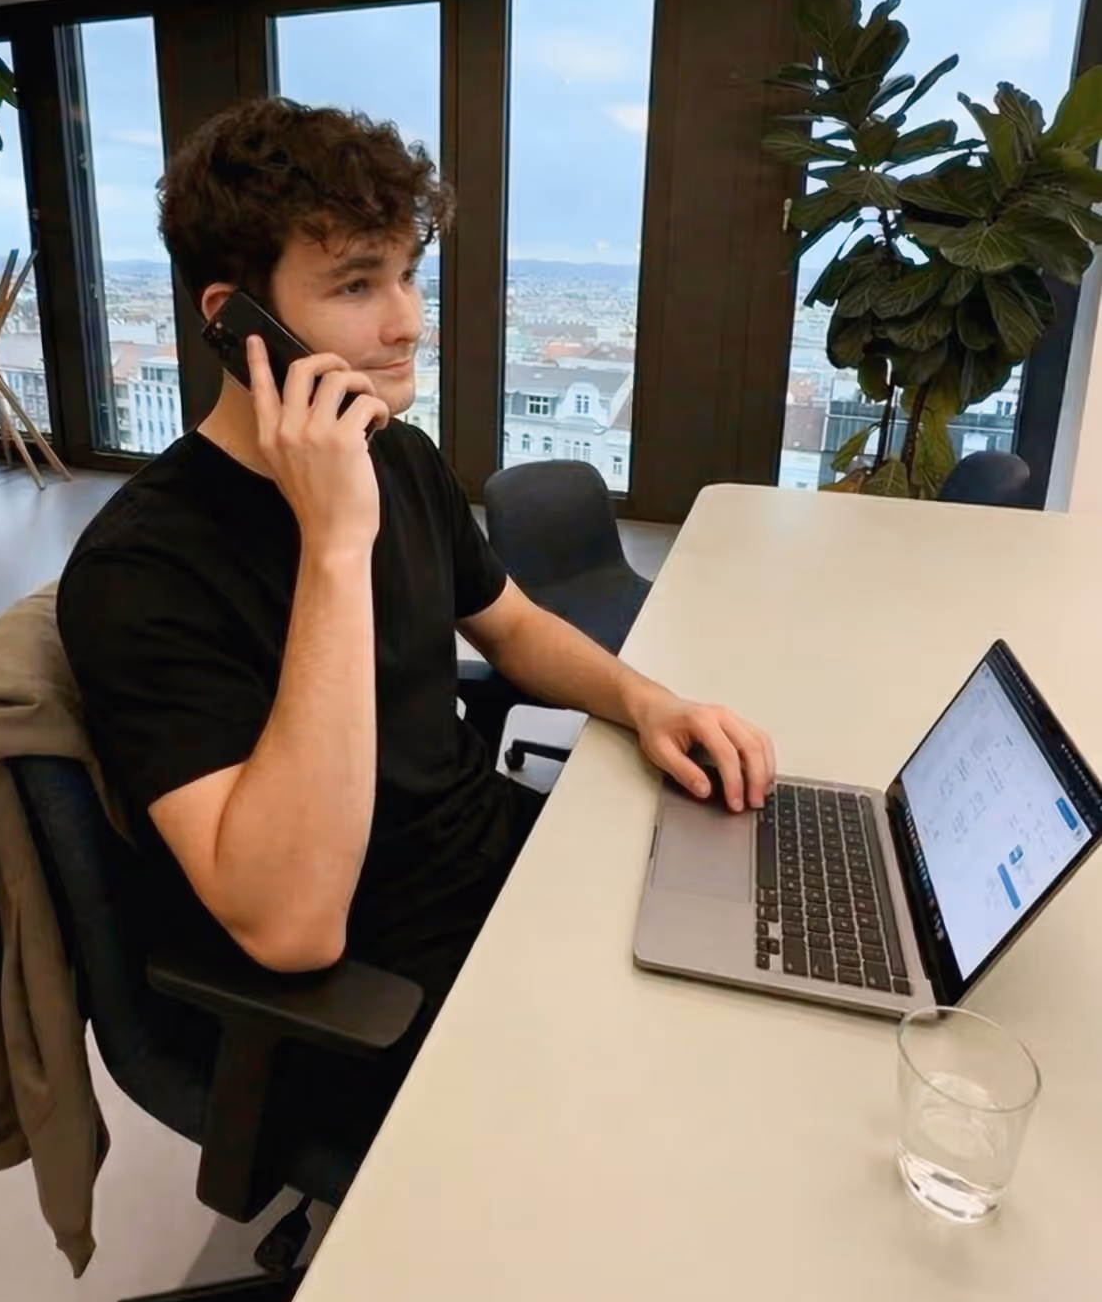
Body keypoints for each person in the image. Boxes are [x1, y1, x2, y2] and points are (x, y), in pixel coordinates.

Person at [56, 97, 774, 1101]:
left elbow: (512, 624)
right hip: (375, 979)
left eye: (405, 274)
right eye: (356, 283)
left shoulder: (399, 454)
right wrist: (334, 542)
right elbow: (294, 925)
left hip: (495, 864)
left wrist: (647, 700)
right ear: (233, 321)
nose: (406, 321)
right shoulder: (139, 570)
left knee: (757, 971)